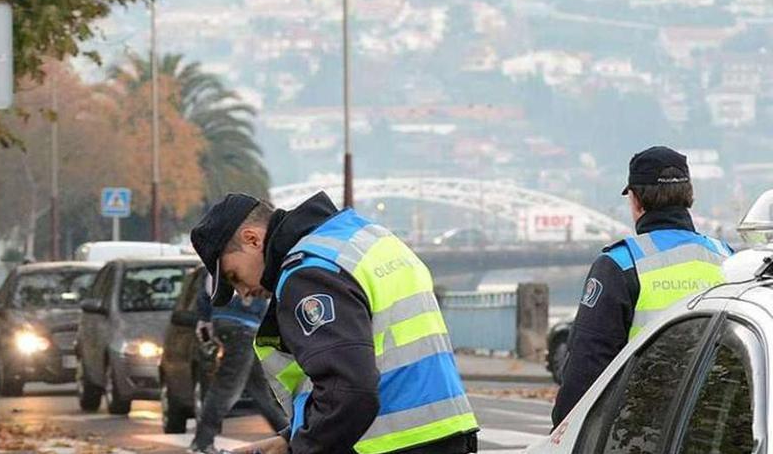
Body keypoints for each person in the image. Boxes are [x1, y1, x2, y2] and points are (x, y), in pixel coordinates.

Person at [190, 192, 479, 454]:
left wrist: (300, 450)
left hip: (389, 444)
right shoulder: (363, 238)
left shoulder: (309, 272)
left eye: (234, 277)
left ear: (252, 239)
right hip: (446, 431)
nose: (243, 294)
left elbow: (348, 390)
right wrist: (291, 438)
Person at [551, 146, 732, 426]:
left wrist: (562, 430)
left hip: (640, 428)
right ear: (689, 197)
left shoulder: (621, 264)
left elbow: (586, 367)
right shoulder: (727, 258)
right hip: (716, 425)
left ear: (635, 201)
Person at [188, 269, 288, 454]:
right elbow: (270, 297)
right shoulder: (257, 257)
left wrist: (205, 320)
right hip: (245, 327)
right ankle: (202, 442)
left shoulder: (216, 261)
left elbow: (204, 296)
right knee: (226, 388)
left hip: (226, 323)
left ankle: (290, 436)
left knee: (259, 390)